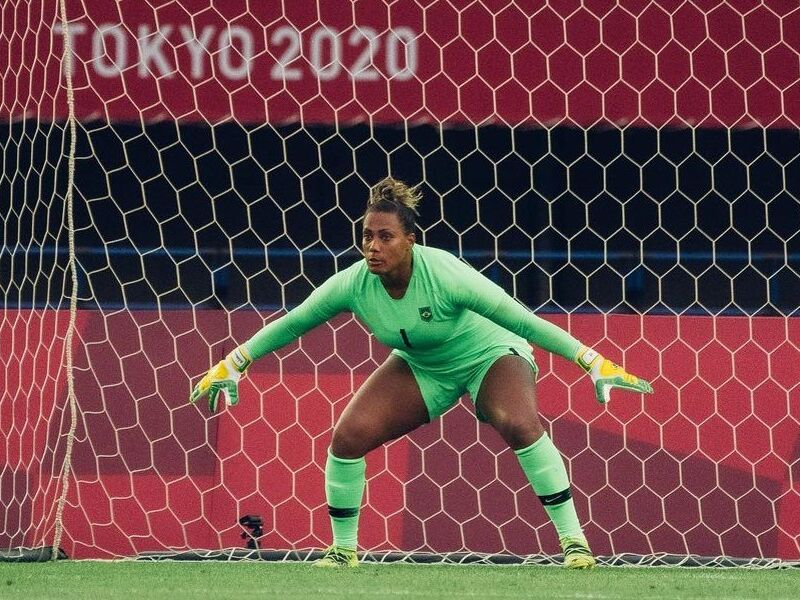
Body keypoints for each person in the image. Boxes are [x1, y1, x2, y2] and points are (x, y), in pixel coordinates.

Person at [190, 177, 653, 569]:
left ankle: (575, 545)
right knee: (348, 438)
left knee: (518, 423)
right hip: (424, 367)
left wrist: (591, 360)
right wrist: (234, 362)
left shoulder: (446, 274)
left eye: (386, 236)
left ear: (411, 239)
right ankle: (343, 552)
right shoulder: (354, 283)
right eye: (367, 234)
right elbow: (293, 322)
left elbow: (522, 320)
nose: (373, 246)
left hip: (489, 352)